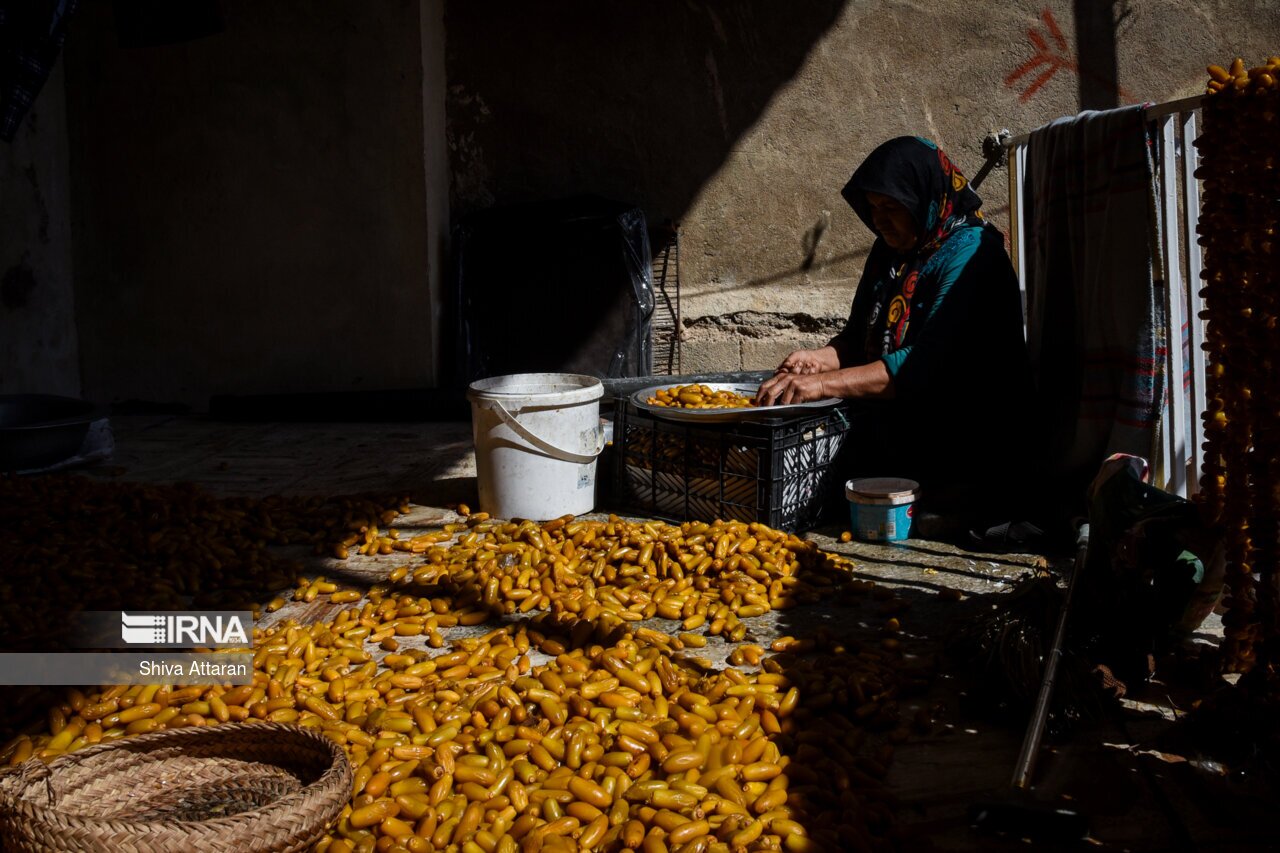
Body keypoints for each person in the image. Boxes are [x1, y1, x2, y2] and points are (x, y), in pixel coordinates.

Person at [757, 136, 1035, 530]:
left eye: (891, 208)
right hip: (900, 443)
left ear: (924, 199)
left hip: (966, 451)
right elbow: (861, 338)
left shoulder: (973, 255)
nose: (879, 220)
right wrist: (820, 359)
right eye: (873, 209)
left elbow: (920, 366)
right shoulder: (890, 252)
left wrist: (820, 385)